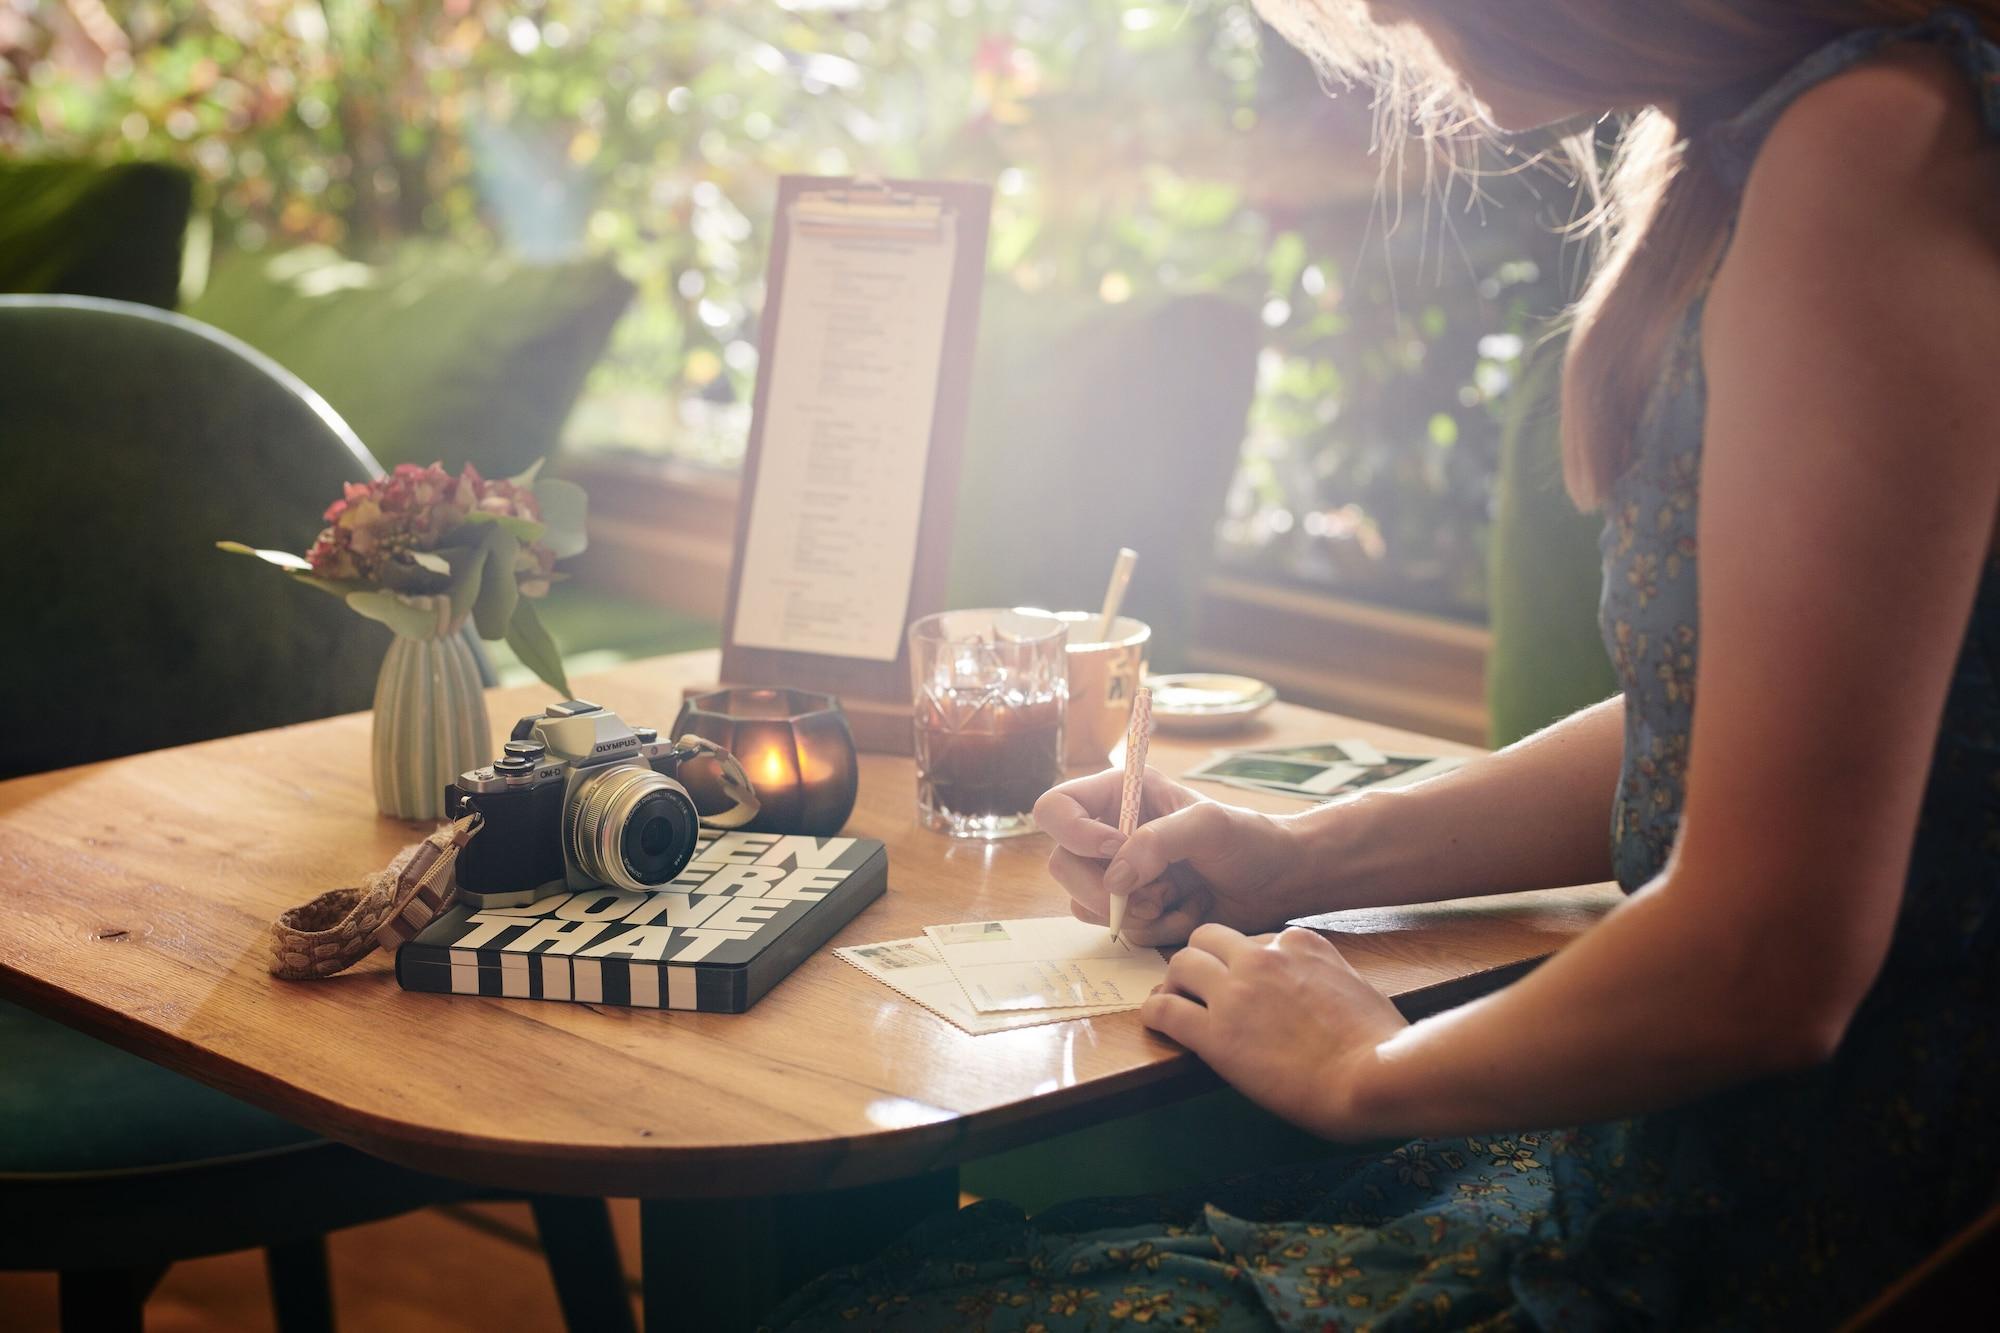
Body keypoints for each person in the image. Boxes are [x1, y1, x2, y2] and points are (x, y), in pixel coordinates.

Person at [772, 2, 2000, 1327]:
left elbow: (1773, 953)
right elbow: (1726, 731)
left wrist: (1370, 1068)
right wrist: (1310, 854)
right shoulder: (1787, 142)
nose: (1375, 10)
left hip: (1790, 1247)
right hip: (1685, 1176)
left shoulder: (1868, 144)